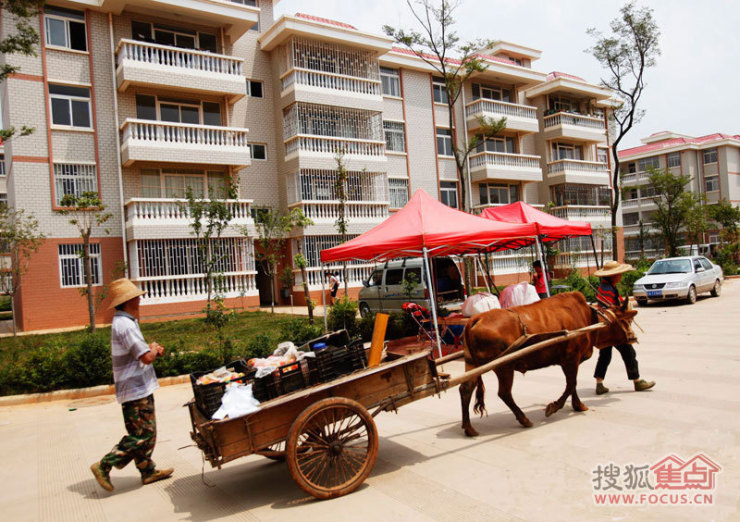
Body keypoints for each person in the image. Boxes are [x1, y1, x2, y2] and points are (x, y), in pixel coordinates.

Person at [90, 278, 173, 492]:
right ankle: (104, 464)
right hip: (134, 390)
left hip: (140, 386)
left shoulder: (128, 321)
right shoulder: (125, 325)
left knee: (149, 433)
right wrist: (153, 351)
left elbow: (140, 352)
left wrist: (151, 348)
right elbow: (145, 358)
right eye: (136, 297)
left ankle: (147, 471)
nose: (139, 300)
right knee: (142, 434)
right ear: (128, 300)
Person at [592, 261, 656, 395]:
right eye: (618, 274)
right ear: (613, 276)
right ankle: (637, 381)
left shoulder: (606, 286)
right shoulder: (608, 289)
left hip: (606, 326)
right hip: (613, 327)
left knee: (605, 355)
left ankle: (599, 383)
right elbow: (609, 308)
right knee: (629, 352)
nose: (620, 276)